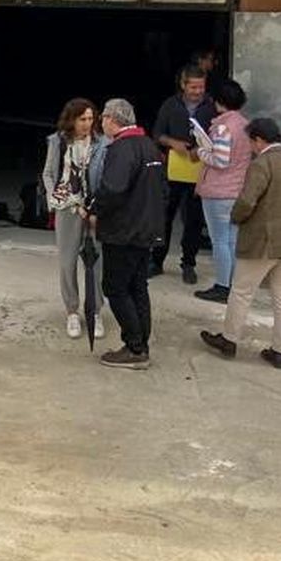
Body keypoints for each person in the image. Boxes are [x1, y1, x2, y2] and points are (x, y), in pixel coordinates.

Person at [201, 117, 281, 369]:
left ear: (259, 140)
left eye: (251, 142)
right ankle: (280, 351)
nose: (251, 147)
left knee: (241, 291)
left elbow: (246, 201)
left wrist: (236, 219)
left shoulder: (262, 164)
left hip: (262, 241)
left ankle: (229, 339)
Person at [90, 98, 165, 369]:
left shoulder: (122, 149)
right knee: (137, 287)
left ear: (113, 118)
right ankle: (141, 343)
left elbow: (113, 188)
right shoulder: (149, 146)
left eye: (103, 118)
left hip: (124, 231)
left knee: (115, 287)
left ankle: (134, 347)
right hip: (146, 229)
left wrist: (94, 208)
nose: (101, 123)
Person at [40, 98, 108, 340]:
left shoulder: (102, 142)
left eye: (91, 119)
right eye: (82, 119)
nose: (87, 124)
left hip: (93, 209)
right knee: (67, 262)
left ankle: (96, 311)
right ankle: (72, 311)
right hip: (68, 207)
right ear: (72, 120)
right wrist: (54, 198)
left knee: (96, 262)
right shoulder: (58, 141)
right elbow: (49, 173)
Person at [150, 65, 216, 283]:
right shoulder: (171, 104)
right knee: (165, 216)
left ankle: (189, 263)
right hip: (173, 166)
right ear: (183, 85)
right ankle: (157, 260)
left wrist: (203, 148)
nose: (198, 92)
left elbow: (219, 137)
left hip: (200, 167)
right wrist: (172, 143)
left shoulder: (211, 106)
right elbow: (157, 133)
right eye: (193, 87)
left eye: (201, 87)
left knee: (194, 219)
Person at [191, 79, 252, 304]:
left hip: (218, 192)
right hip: (237, 189)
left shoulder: (223, 127)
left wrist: (201, 152)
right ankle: (233, 284)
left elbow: (220, 159)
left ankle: (222, 286)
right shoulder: (245, 124)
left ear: (219, 101)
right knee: (232, 240)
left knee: (220, 241)